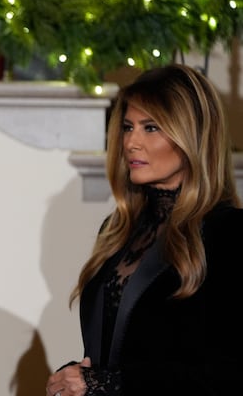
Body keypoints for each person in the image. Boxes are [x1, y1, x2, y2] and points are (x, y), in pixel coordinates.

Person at [46, 64, 243, 396]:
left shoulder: (230, 233)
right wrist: (78, 378)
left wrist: (109, 382)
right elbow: (118, 351)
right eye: (128, 127)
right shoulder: (117, 231)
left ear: (192, 136)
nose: (131, 142)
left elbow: (229, 373)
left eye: (151, 128)